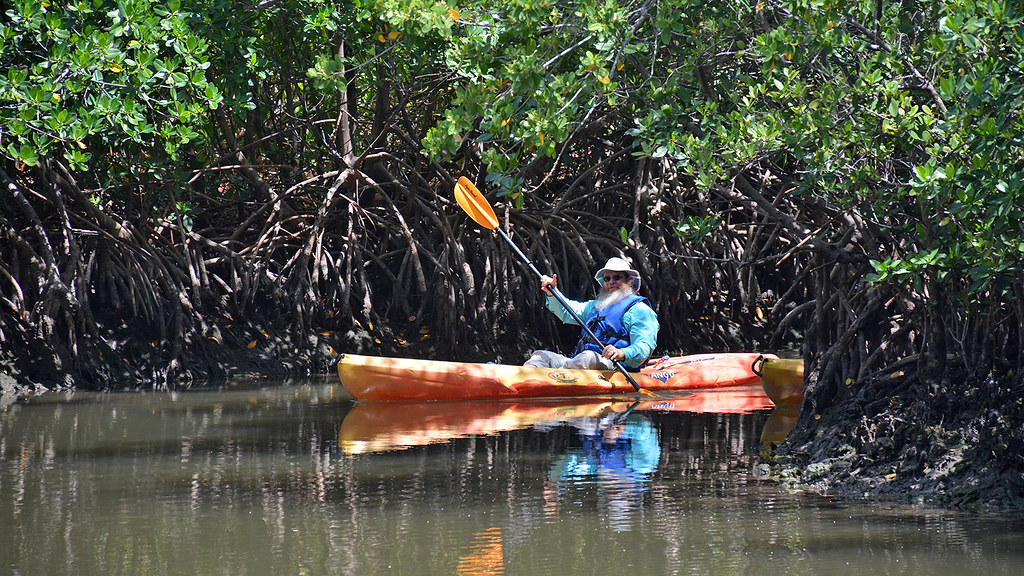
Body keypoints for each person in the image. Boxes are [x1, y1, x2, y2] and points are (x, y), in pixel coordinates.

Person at [525, 257, 659, 370]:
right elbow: (567, 310)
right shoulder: (595, 307)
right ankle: (526, 380)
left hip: (616, 366)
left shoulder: (639, 310)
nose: (611, 282)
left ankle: (559, 377)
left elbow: (644, 346)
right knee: (541, 356)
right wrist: (552, 292)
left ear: (628, 280)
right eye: (607, 279)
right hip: (580, 363)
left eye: (617, 277)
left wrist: (621, 353)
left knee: (587, 357)